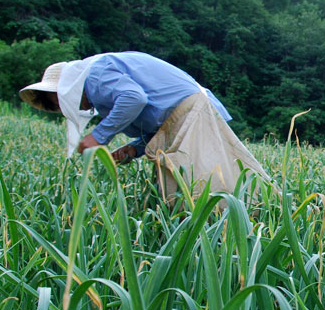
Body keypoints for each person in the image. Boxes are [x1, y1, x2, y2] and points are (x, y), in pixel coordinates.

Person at [20, 51, 271, 200]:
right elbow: (155, 123)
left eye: (60, 98)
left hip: (190, 112)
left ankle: (258, 219)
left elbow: (134, 99)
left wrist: (99, 136)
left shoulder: (95, 76)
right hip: (183, 115)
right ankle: (267, 211)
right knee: (209, 179)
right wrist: (133, 149)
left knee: (201, 189)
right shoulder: (100, 89)